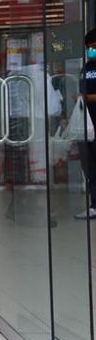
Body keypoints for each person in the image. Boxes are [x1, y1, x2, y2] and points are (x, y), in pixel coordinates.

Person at [76, 28, 96, 219]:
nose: (91, 51)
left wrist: (88, 97)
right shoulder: (86, 68)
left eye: (94, 47)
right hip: (88, 127)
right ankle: (94, 205)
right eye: (89, 47)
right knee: (90, 167)